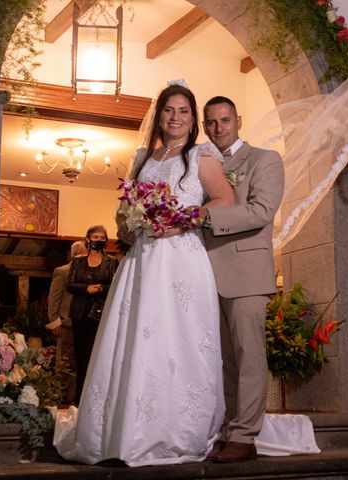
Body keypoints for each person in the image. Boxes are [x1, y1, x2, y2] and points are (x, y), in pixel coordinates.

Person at [53, 83, 235, 466]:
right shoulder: (141, 158)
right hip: (143, 258)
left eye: (184, 111)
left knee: (178, 335)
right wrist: (129, 227)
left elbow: (224, 200)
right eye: (169, 110)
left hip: (182, 257)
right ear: (159, 115)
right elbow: (123, 211)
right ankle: (124, 429)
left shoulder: (202, 155)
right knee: (135, 333)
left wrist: (183, 220)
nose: (175, 118)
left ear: (193, 118)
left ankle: (176, 429)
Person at [201, 96, 284, 462]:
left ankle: (246, 437)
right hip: (206, 276)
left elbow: (261, 210)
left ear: (238, 120)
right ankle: (230, 430)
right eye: (212, 123)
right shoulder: (202, 163)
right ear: (205, 127)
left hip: (247, 275)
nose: (219, 128)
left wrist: (203, 217)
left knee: (249, 357)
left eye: (225, 121)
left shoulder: (264, 159)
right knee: (226, 361)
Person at [65, 225, 119, 404]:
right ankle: (79, 399)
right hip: (79, 314)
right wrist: (86, 288)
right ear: (87, 239)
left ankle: (95, 400)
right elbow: (70, 285)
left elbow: (116, 286)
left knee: (95, 357)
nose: (98, 239)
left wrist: (101, 288)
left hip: (100, 313)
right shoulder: (78, 261)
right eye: (94, 236)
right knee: (80, 358)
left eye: (101, 236)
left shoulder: (112, 261)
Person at [45, 240, 88, 405]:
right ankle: (62, 397)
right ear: (76, 253)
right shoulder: (62, 271)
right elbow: (54, 299)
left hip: (83, 323)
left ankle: (77, 397)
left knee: (80, 362)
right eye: (84, 253)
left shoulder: (88, 273)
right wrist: (55, 321)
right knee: (65, 362)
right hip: (66, 323)